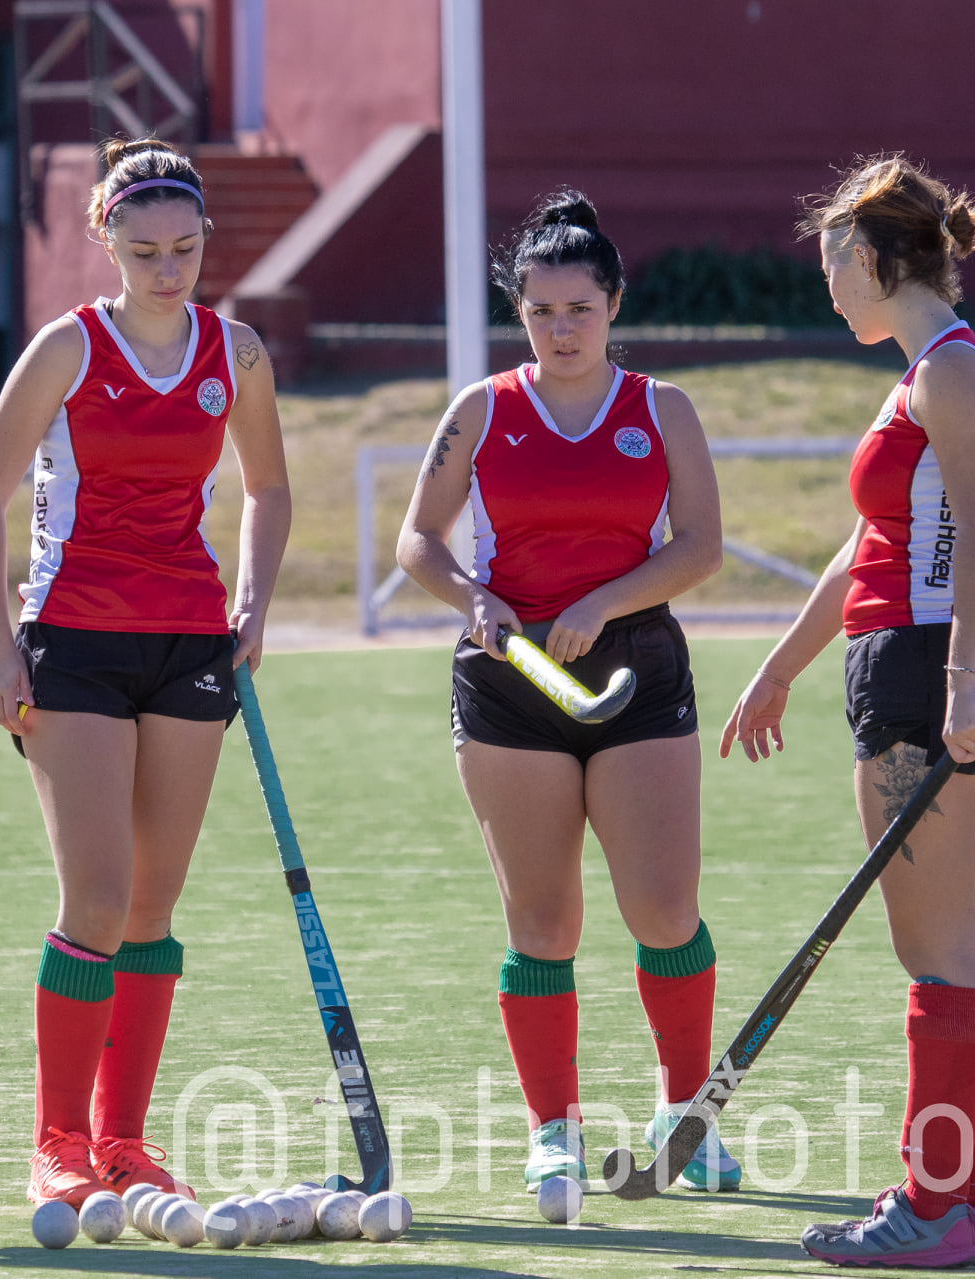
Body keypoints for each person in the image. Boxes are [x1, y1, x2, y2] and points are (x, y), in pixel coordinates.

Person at [0, 137, 289, 1208]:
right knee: (95, 899)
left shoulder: (233, 351)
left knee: (152, 907)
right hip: (74, 641)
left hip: (189, 642)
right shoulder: (67, 347)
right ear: (104, 237)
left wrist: (253, 600)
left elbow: (268, 489)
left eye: (186, 249)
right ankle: (55, 1142)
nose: (167, 269)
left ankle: (124, 1144)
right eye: (144, 249)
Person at [395, 191, 732, 1190]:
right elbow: (416, 540)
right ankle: (555, 1128)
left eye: (578, 309)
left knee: (663, 909)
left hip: (634, 670)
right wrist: (472, 599)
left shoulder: (660, 409)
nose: (559, 330)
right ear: (519, 313)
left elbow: (701, 547)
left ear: (613, 304)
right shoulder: (482, 409)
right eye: (539, 313)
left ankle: (686, 1117)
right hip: (509, 683)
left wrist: (607, 599)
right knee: (542, 924)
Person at [721, 153, 975, 1268]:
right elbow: (862, 551)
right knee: (955, 949)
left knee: (932, 950)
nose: (827, 287)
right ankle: (964, 1202)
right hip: (898, 658)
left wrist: (954, 678)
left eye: (835, 265)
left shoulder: (950, 372)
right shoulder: (918, 375)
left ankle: (932, 1206)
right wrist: (780, 665)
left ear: (882, 260)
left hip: (919, 670)